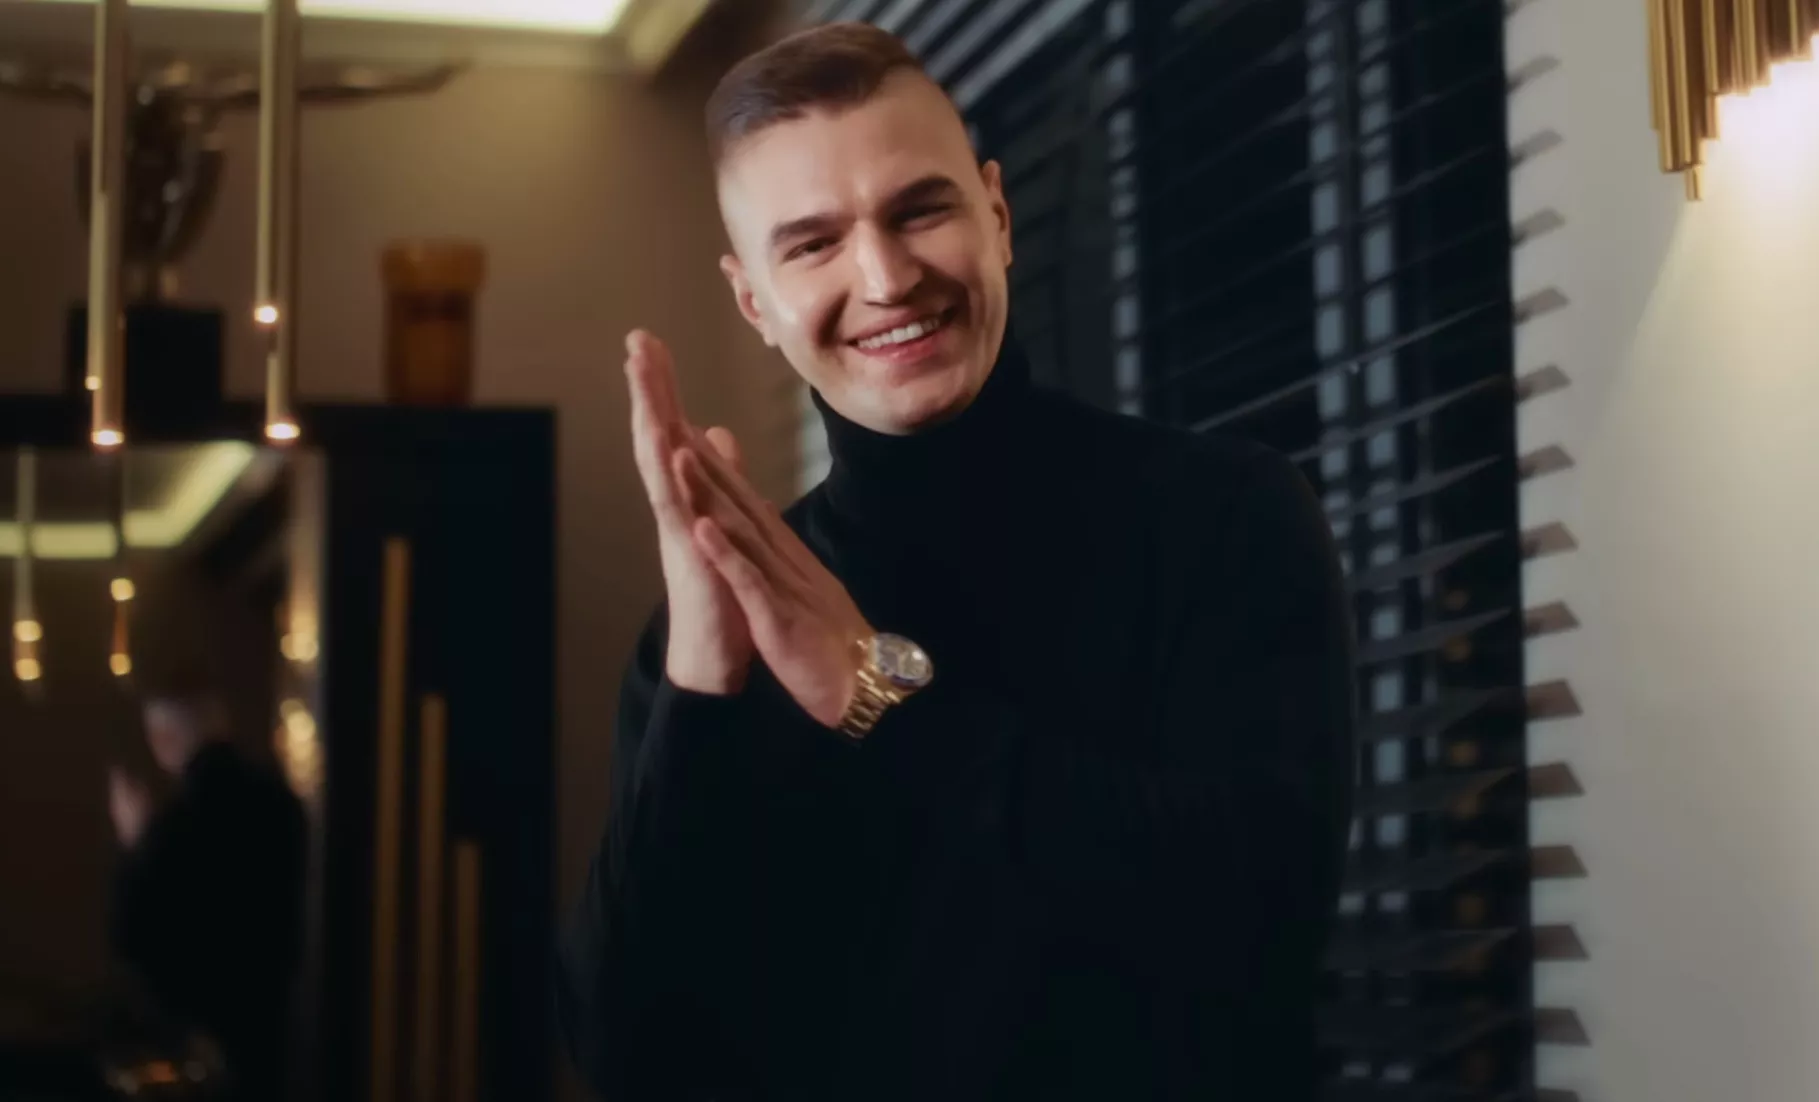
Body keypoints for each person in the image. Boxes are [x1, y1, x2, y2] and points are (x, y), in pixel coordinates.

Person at [558, 21, 1356, 1102]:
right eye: (813, 244)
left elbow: (1258, 920)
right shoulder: (712, 632)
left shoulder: (1224, 514)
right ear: (754, 303)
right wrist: (699, 683)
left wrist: (872, 693)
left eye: (919, 211)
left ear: (998, 218)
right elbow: (628, 1051)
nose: (887, 277)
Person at [108, 679, 308, 1101]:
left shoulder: (175, 825)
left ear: (163, 740)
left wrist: (138, 843)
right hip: (287, 1032)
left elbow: (133, 935)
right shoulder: (282, 802)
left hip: (211, 1045)